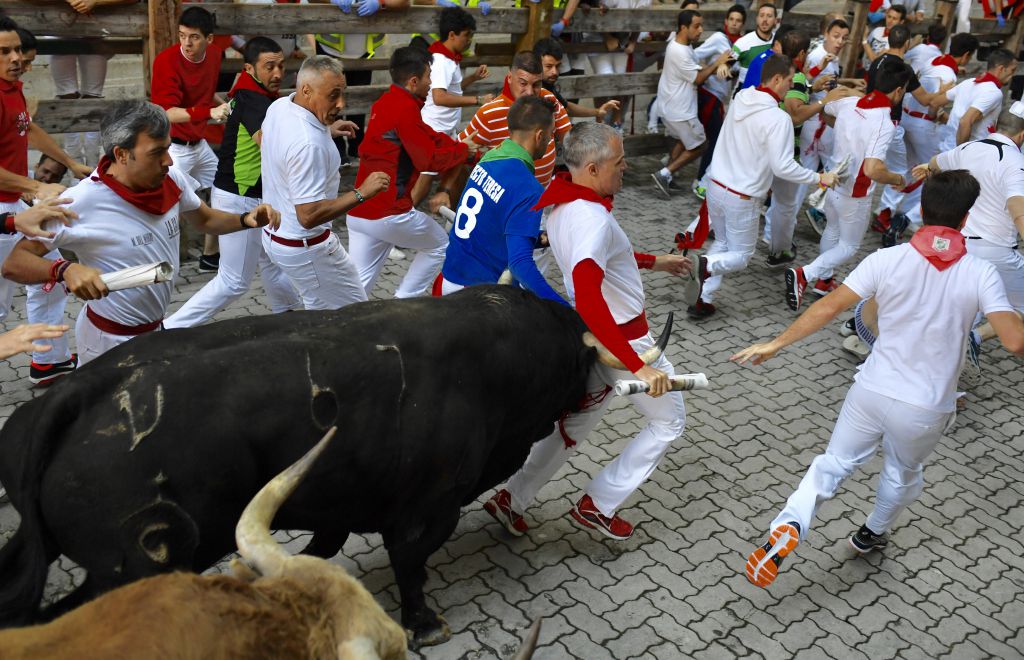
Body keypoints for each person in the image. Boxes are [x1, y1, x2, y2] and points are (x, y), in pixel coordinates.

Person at [733, 170, 1024, 588]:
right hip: (925, 406)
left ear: (922, 209)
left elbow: (828, 307)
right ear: (967, 218)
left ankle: (791, 522)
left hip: (870, 389)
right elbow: (1014, 341)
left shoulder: (885, 259)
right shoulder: (981, 273)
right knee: (902, 473)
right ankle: (870, 533)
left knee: (831, 464)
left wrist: (775, 344)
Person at [482, 122, 691, 541]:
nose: (626, 167)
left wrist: (654, 261)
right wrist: (638, 365)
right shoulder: (592, 217)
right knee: (669, 422)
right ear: (593, 169)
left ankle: (512, 498)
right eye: (619, 162)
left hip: (592, 340)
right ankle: (598, 504)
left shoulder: (563, 202)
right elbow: (590, 289)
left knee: (574, 425)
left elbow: (606, 253)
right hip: (623, 342)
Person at [1, 101, 281, 365]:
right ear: (121, 154)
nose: (168, 161)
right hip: (106, 343)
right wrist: (64, 270)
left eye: (167, 149)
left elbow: (206, 220)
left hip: (155, 333)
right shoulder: (80, 201)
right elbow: (14, 264)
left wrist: (246, 219)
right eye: (156, 152)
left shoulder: (171, 179)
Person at [163, 37, 300, 329]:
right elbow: (270, 145)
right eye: (269, 67)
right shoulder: (253, 99)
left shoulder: (257, 93)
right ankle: (169, 328)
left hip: (252, 196)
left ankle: (292, 319)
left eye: (281, 65)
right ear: (249, 68)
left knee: (274, 263)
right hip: (240, 197)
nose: (278, 73)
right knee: (233, 281)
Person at [688, 55, 836, 319]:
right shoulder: (779, 119)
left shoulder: (741, 97)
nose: (791, 86)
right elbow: (783, 167)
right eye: (790, 81)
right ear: (777, 79)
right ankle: (705, 265)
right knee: (742, 255)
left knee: (722, 242)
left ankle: (703, 298)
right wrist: (818, 178)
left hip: (716, 186)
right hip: (741, 196)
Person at [0, 16, 91, 385]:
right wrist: (35, 186)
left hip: (15, 206)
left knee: (49, 277)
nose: (16, 58)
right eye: (4, 52)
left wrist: (70, 162)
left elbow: (28, 127)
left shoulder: (12, 89)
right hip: (4, 212)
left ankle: (48, 362)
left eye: (17, 50)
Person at [347, 46, 478, 299]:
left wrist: (461, 147)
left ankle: (338, 321)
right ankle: (404, 303)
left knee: (356, 290)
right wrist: (465, 152)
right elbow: (428, 160)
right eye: (429, 76)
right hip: (388, 213)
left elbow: (429, 137)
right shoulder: (405, 109)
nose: (431, 83)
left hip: (360, 212)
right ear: (414, 81)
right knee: (440, 244)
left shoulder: (386, 102)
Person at [260, 55, 389, 310]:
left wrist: (324, 131)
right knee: (356, 316)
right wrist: (361, 193)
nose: (341, 103)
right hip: (307, 249)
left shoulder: (281, 106)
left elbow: (271, 140)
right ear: (306, 90)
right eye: (333, 96)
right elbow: (308, 215)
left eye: (343, 93)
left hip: (276, 239)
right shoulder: (309, 145)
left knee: (320, 315)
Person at [786, 59, 910, 310]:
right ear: (898, 91)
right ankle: (805, 274)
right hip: (855, 194)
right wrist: (897, 178)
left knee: (832, 231)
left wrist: (844, 126)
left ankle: (823, 281)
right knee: (850, 246)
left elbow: (824, 111)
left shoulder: (849, 103)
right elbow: (873, 169)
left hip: (833, 182)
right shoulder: (884, 122)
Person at [913, 106, 1024, 347]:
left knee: (962, 303)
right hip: (997, 252)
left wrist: (928, 168)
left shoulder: (968, 147)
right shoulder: (1016, 162)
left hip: (959, 246)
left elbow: (935, 163)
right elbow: (1018, 207)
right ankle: (973, 338)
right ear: (1022, 135)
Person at [437, 95, 565, 303]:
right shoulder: (528, 188)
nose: (551, 142)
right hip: (478, 296)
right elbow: (520, 264)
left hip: (451, 276)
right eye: (551, 136)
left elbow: (488, 224)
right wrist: (561, 307)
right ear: (540, 136)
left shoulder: (491, 157)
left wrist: (534, 237)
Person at [150, 5, 232, 272]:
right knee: (166, 211)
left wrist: (225, 105)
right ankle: (158, 268)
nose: (186, 43)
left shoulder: (215, 55)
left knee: (225, 190)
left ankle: (210, 256)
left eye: (194, 37)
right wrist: (210, 112)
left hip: (199, 143)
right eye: (182, 35)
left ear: (209, 39)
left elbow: (205, 94)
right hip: (173, 147)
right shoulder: (166, 61)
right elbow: (166, 113)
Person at [863, 25, 952, 247]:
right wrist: (945, 92)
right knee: (898, 170)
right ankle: (885, 214)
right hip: (889, 124)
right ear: (907, 43)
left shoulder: (877, 61)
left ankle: (884, 210)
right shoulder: (903, 69)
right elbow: (925, 100)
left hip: (866, 118)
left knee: (867, 164)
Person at [889, 33, 978, 234]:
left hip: (907, 117)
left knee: (908, 168)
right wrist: (941, 117)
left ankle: (886, 210)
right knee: (932, 171)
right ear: (966, 55)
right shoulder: (950, 76)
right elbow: (932, 108)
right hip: (923, 125)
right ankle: (908, 216)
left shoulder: (934, 60)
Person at [412, 6, 492, 204]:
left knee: (458, 167)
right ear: (452, 35)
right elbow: (439, 97)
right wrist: (478, 100)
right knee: (425, 180)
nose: (469, 40)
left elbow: (451, 91)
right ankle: (403, 213)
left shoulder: (448, 58)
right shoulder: (441, 61)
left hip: (445, 128)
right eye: (466, 35)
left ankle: (454, 211)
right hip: (435, 128)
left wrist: (472, 78)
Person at [650, 10, 734, 197]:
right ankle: (664, 174)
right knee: (700, 145)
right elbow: (698, 78)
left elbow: (697, 69)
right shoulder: (679, 51)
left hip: (674, 107)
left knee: (684, 140)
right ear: (683, 28)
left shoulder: (683, 46)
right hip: (679, 110)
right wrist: (718, 62)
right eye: (696, 26)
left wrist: (718, 67)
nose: (701, 30)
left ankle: (668, 177)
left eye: (701, 25)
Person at [459, 51, 572, 187]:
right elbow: (458, 151)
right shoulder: (489, 114)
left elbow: (570, 141)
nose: (530, 92)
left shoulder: (548, 99)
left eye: (536, 84)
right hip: (507, 194)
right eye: (523, 83)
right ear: (510, 78)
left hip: (544, 191)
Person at [50, 0, 136, 170]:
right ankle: (74, 162)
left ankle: (93, 162)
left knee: (93, 97)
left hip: (94, 28)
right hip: (58, 25)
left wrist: (95, 1)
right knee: (67, 96)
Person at [690, 4, 746, 197]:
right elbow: (694, 55)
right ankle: (700, 181)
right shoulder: (718, 39)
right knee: (714, 139)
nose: (734, 23)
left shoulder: (742, 45)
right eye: (731, 19)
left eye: (738, 21)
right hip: (708, 94)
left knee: (706, 137)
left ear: (743, 24)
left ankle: (671, 168)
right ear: (726, 21)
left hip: (721, 97)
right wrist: (709, 69)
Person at [931, 48, 1017, 150]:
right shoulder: (994, 92)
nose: (1013, 75)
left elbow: (934, 103)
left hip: (947, 147)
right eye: (1012, 70)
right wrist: (961, 152)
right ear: (1001, 69)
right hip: (969, 151)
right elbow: (965, 121)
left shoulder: (969, 82)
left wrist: (932, 119)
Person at [533, 37, 619, 122]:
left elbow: (567, 108)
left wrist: (597, 112)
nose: (554, 72)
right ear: (537, 64)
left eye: (558, 66)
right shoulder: (532, 89)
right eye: (549, 66)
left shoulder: (547, 84)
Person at [731, 3, 777, 90]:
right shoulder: (742, 42)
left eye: (769, 16)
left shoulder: (778, 41)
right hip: (744, 93)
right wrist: (724, 65)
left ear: (775, 20)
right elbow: (726, 63)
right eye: (761, 15)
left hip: (768, 93)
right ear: (757, 19)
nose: (765, 19)